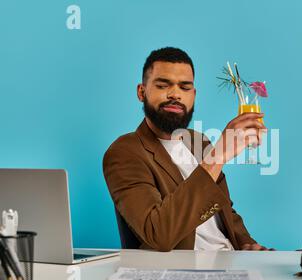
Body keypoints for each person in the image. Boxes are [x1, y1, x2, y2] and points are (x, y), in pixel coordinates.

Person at [103, 47, 270, 251]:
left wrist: (248, 245)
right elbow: (159, 234)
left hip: (232, 263)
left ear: (194, 95)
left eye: (185, 87)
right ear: (142, 92)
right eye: (163, 85)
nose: (175, 94)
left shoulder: (199, 142)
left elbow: (225, 212)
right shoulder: (125, 152)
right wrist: (218, 155)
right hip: (187, 273)